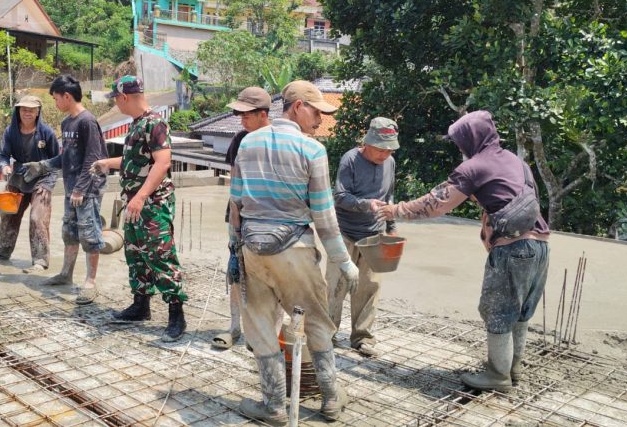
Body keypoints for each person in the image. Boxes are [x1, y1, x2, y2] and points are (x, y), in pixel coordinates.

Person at [378, 110, 550, 392]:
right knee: (519, 311)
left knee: (497, 310)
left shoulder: (474, 167)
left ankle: (497, 375)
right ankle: (512, 369)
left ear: (471, 139)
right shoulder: (516, 162)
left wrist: (396, 210)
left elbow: (436, 204)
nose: (459, 148)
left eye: (460, 142)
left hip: (512, 249)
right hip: (540, 245)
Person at [230, 80, 359, 424]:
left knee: (259, 324)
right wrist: (344, 263)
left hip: (253, 249)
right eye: (317, 112)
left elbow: (237, 203)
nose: (320, 120)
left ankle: (273, 406)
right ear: (298, 106)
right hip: (295, 249)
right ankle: (331, 399)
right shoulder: (312, 150)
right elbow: (324, 217)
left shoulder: (247, 144)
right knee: (317, 321)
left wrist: (235, 248)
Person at [90, 75, 187, 342]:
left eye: (116, 100)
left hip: (152, 203)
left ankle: (176, 314)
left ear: (124, 97)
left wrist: (142, 196)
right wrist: (106, 163)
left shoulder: (155, 123)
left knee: (160, 254)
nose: (117, 105)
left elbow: (162, 162)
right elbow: (134, 160)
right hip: (135, 202)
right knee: (136, 253)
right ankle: (141, 304)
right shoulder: (137, 125)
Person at [22, 76, 108, 304]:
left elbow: (94, 157)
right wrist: (43, 165)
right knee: (69, 232)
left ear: (67, 96)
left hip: (87, 189)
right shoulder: (67, 123)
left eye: (56, 98)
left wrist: (81, 189)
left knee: (89, 234)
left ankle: (90, 282)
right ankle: (66, 274)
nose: (55, 103)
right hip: (72, 188)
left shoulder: (87, 121)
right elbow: (66, 157)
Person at [326, 117, 399, 357]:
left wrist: (391, 227)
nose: (385, 154)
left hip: (374, 234)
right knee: (336, 285)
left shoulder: (390, 163)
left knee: (370, 287)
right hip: (345, 233)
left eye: (390, 149)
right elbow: (340, 195)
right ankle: (328, 333)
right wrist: (365, 204)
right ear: (367, 143)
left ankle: (362, 337)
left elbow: (389, 196)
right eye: (380, 149)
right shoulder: (351, 160)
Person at [211, 87, 273, 350]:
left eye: (246, 114)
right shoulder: (238, 139)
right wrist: (235, 219)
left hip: (268, 219)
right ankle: (235, 327)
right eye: (240, 114)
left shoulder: (276, 140)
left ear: (262, 114)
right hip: (238, 215)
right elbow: (235, 179)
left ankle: (265, 330)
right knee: (236, 269)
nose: (241, 119)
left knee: (270, 274)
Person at [0, 95, 60, 273]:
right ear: (18, 111)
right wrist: (4, 166)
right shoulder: (11, 132)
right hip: (18, 178)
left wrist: (49, 184)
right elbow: (3, 155)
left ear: (38, 112)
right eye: (24, 109)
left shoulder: (47, 133)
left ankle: (40, 259)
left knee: (38, 218)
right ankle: (2, 251)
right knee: (8, 216)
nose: (27, 113)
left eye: (31, 110)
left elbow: (56, 161)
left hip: (42, 180)